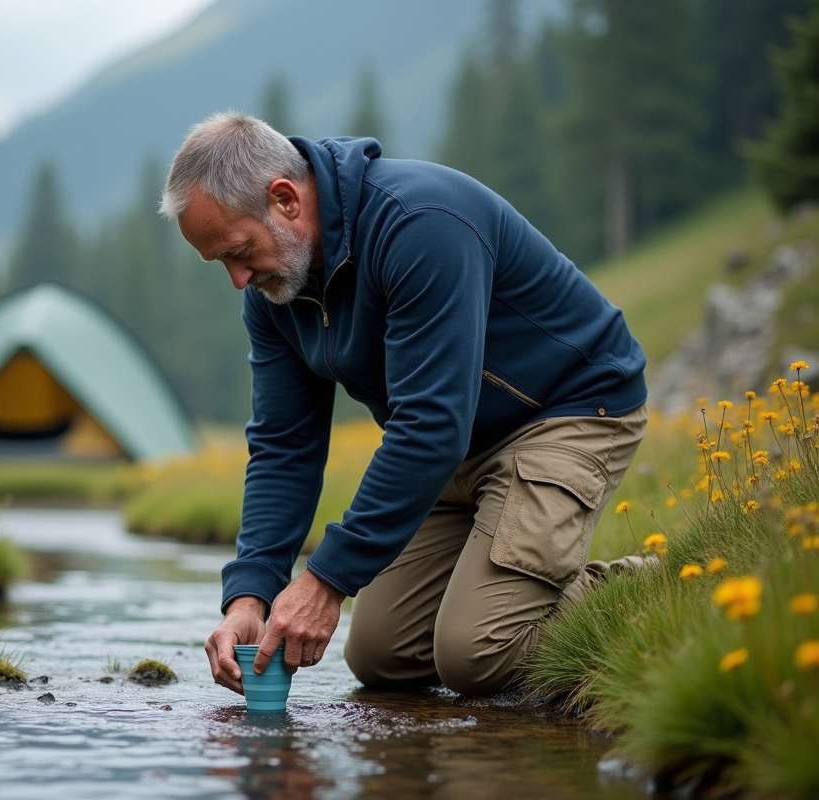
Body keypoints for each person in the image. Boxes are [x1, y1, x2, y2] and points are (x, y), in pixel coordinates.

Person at [159, 112, 647, 697]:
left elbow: (430, 426)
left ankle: (651, 584)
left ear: (285, 199)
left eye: (239, 251)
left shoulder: (420, 223)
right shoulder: (275, 288)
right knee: (383, 658)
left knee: (475, 654)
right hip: (455, 447)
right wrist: (249, 595)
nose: (237, 279)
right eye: (221, 264)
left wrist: (323, 582)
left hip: (566, 411)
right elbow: (284, 446)